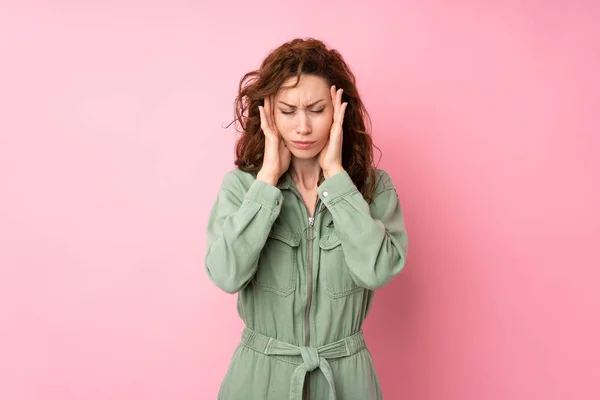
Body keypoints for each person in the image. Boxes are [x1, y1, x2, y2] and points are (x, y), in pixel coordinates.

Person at [204, 37, 408, 400]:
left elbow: (377, 270)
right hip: (260, 379)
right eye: (287, 111)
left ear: (338, 110)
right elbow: (225, 273)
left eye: (316, 110)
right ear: (268, 114)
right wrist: (266, 180)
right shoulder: (242, 188)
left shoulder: (372, 189)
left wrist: (335, 176)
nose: (302, 127)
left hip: (347, 381)